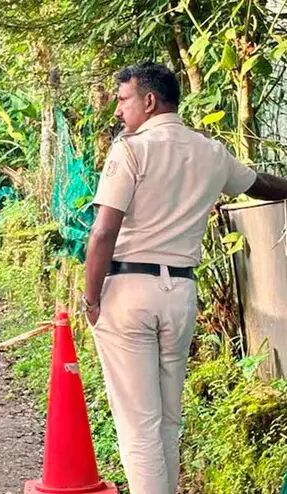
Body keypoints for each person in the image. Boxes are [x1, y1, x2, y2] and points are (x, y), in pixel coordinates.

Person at [83, 62, 287, 494]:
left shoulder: (131, 150)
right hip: (181, 292)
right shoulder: (210, 152)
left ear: (149, 101)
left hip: (127, 291)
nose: (118, 112)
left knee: (138, 425)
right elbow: (262, 186)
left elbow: (103, 231)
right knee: (168, 421)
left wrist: (91, 300)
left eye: (123, 100)